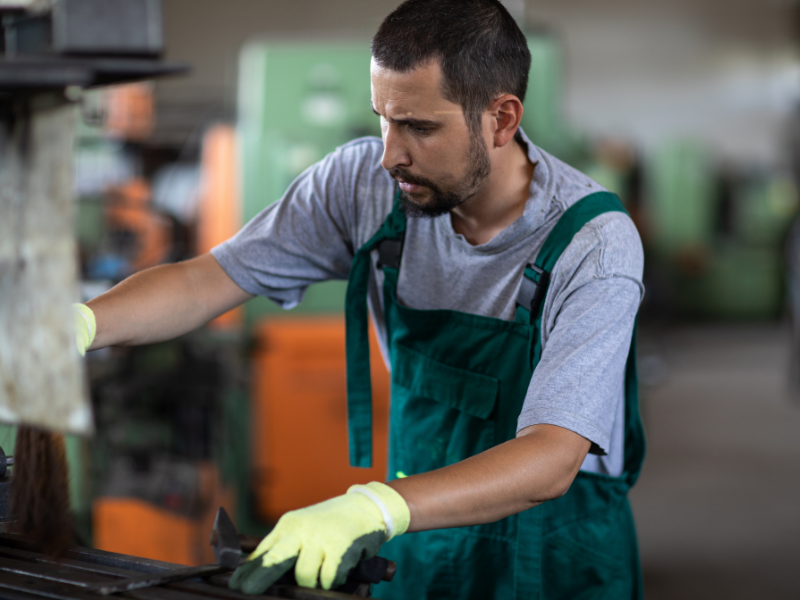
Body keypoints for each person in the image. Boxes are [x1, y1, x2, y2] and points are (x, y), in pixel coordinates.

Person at [74, 1, 646, 597]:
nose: (389, 154)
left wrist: (374, 507)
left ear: (501, 119)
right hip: (419, 542)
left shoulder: (593, 245)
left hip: (555, 562)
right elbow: (204, 281)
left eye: (420, 127)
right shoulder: (364, 188)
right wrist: (79, 325)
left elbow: (552, 457)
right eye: (384, 119)